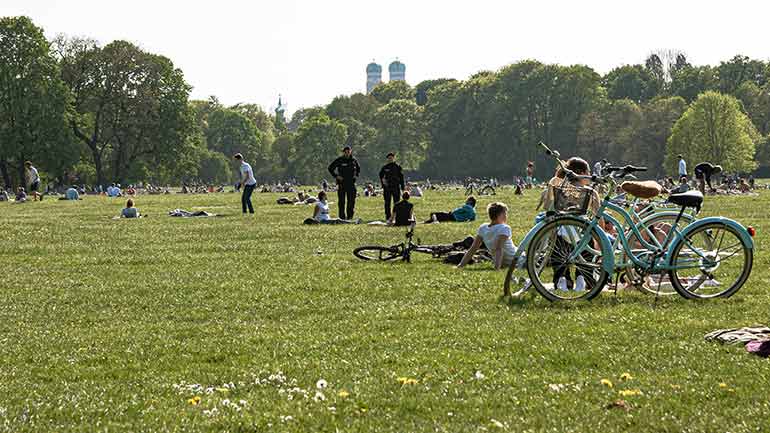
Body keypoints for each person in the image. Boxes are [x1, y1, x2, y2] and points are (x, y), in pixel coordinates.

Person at [457, 202, 517, 270]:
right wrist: (497, 268)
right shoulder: (504, 228)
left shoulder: (483, 228)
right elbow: (499, 249)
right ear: (500, 215)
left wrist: (461, 265)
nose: (506, 216)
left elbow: (473, 248)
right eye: (505, 214)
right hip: (517, 260)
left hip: (503, 263)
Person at [328, 145, 361, 219]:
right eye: (345, 152)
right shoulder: (339, 160)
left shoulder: (354, 160)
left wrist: (356, 175)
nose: (347, 153)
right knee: (341, 201)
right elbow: (330, 168)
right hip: (342, 183)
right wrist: (336, 176)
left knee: (351, 201)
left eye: (348, 151)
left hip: (351, 183)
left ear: (350, 151)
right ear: (343, 152)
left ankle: (350, 217)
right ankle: (342, 217)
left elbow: (358, 168)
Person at [379, 152, 405, 221]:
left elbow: (401, 177)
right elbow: (381, 176)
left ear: (394, 158)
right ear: (387, 159)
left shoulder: (398, 167)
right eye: (389, 158)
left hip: (396, 187)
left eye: (391, 158)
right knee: (387, 203)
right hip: (387, 188)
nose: (390, 159)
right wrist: (383, 184)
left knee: (397, 203)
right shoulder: (385, 167)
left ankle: (396, 216)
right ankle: (388, 217)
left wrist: (403, 187)